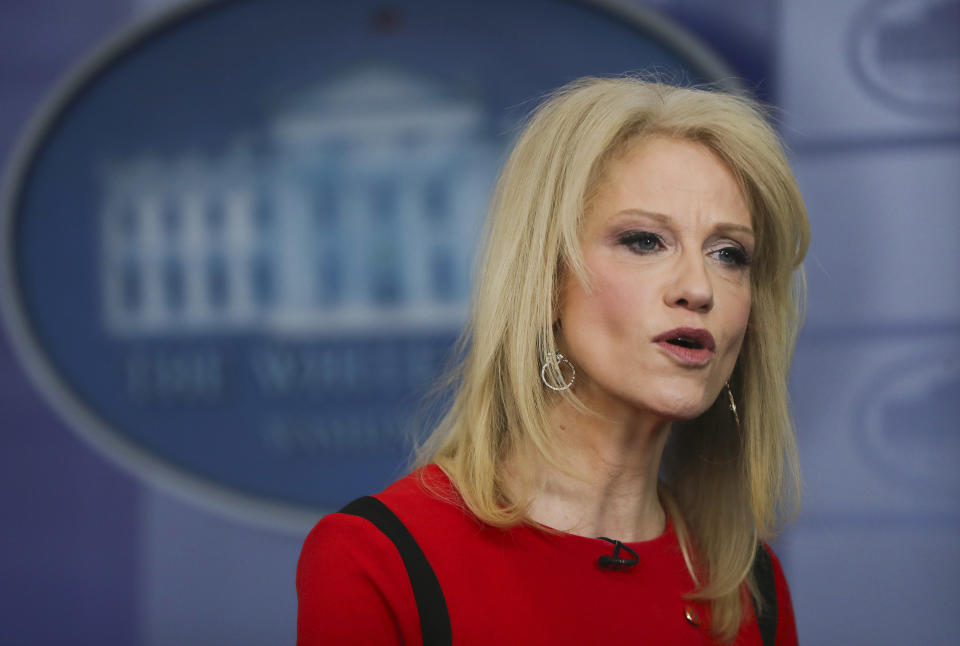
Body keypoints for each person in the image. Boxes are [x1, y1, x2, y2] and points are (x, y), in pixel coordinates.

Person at [296, 75, 810, 645]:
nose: (698, 287)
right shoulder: (382, 560)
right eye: (644, 241)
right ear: (544, 283)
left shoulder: (749, 586)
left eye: (728, 253)